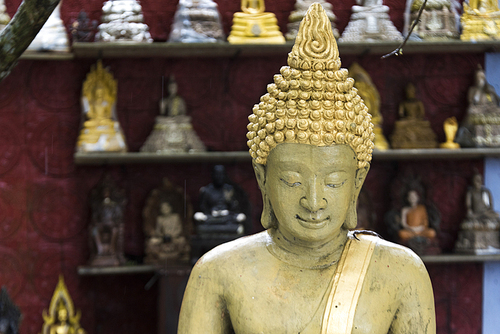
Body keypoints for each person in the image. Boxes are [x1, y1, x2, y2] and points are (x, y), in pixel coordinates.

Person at [179, 4, 435, 333]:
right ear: (262, 178)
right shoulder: (217, 272)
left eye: (333, 182)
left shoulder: (402, 273)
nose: (313, 202)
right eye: (291, 180)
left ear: (357, 182)